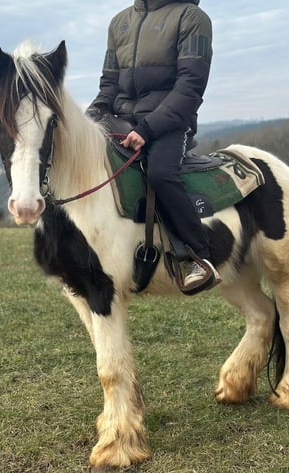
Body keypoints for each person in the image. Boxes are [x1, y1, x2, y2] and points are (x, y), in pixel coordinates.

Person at [87, 0, 219, 293]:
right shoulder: (119, 21)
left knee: (159, 173)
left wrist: (148, 128)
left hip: (169, 123)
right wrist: (88, 121)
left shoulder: (193, 17)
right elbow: (108, 85)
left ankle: (196, 257)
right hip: (120, 119)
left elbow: (190, 87)